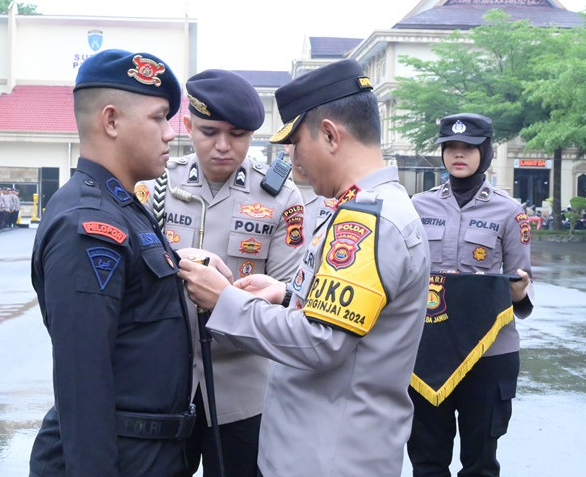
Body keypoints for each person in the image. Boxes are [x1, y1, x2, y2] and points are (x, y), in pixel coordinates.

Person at [178, 58, 431, 476]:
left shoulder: (367, 221)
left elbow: (320, 342)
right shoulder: (366, 208)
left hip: (328, 456)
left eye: (295, 142)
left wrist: (225, 301)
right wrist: (284, 295)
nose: (291, 158)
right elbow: (346, 320)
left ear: (330, 135)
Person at [28, 48, 196, 476]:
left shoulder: (122, 206)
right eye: (158, 118)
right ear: (111, 121)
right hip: (119, 457)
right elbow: (83, 382)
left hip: (147, 452)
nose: (169, 134)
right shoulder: (89, 224)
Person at [136, 69, 305, 477]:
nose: (224, 147)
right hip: (160, 383)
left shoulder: (280, 197)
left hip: (243, 388)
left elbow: (287, 300)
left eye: (239, 135)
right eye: (209, 132)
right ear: (188, 125)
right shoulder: (153, 184)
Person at [407, 113, 533, 476]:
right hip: (430, 348)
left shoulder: (509, 212)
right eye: (451, 148)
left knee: (480, 461)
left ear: (486, 152)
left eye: (469, 148)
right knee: (427, 458)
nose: (458, 155)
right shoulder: (418, 207)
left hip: (489, 353)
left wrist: (520, 292)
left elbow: (522, 282)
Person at [283, 142, 335, 241]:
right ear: (287, 145)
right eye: (297, 141)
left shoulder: (338, 189)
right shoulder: (273, 189)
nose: (304, 151)